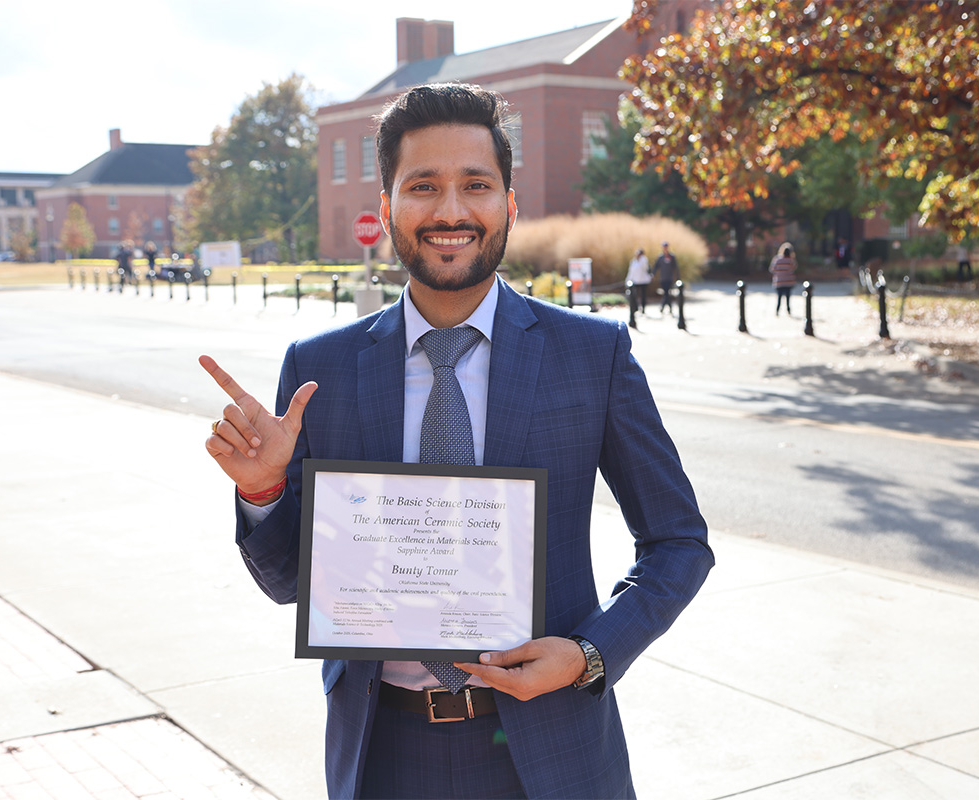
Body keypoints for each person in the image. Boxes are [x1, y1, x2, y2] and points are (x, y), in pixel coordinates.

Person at [201, 83, 712, 800]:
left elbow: (680, 542)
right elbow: (289, 582)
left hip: (553, 751)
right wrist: (261, 490)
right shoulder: (320, 371)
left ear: (509, 202)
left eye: (475, 184)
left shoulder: (592, 355)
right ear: (386, 207)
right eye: (423, 187)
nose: (449, 211)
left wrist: (590, 655)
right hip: (383, 755)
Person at [769, 242, 798, 316]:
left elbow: (772, 269)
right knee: (788, 297)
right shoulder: (791, 260)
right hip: (788, 281)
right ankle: (788, 310)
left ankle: (777, 311)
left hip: (779, 281)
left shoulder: (777, 259)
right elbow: (794, 268)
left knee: (779, 297)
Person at [625, 247, 651, 320]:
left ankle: (643, 309)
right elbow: (631, 271)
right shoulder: (633, 261)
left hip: (643, 281)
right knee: (634, 295)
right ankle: (635, 308)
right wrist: (628, 280)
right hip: (635, 281)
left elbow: (645, 268)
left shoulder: (644, 260)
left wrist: (642, 258)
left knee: (643, 296)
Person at [653, 241, 678, 315]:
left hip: (669, 278)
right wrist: (653, 274)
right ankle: (669, 307)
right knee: (666, 293)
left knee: (667, 292)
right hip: (663, 278)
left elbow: (675, 267)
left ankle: (663, 307)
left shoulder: (672, 256)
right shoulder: (660, 257)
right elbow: (656, 266)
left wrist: (677, 277)